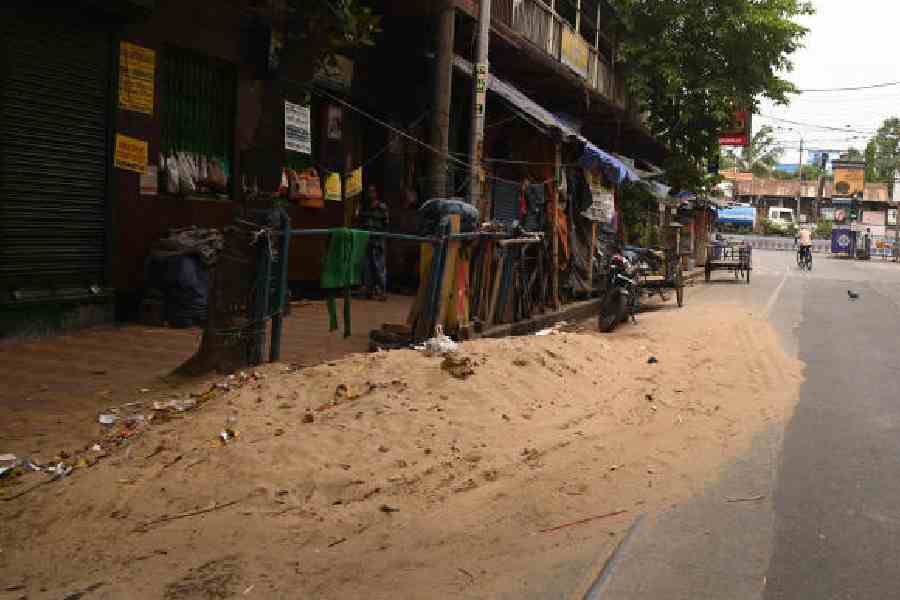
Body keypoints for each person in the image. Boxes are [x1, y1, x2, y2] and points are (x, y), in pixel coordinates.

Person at [359, 184, 389, 300]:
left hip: (377, 239)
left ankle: (381, 290)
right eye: (369, 192)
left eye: (372, 192)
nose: (370, 194)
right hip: (367, 238)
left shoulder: (381, 207)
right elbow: (359, 219)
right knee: (366, 265)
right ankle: (368, 290)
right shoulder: (364, 206)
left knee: (378, 265)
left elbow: (386, 222)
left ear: (376, 194)